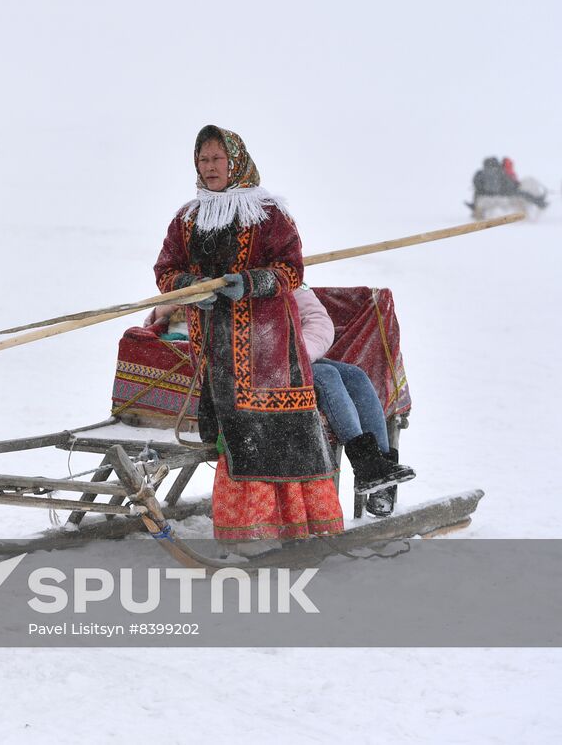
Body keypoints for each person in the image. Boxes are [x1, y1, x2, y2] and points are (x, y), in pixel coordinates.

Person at [154, 125, 343, 542]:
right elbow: (164, 270)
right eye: (203, 160)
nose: (209, 167)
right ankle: (246, 530)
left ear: (235, 161)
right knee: (233, 434)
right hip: (214, 351)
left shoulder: (269, 214)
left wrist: (253, 283)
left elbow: (292, 269)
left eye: (217, 159)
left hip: (270, 350)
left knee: (275, 435)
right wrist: (187, 286)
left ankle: (295, 527)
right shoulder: (187, 219)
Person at [294, 286, 415, 516]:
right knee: (328, 376)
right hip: (265, 364)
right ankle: (365, 464)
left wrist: (301, 352)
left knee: (355, 375)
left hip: (298, 356)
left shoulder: (288, 278)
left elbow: (318, 319)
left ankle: (380, 470)